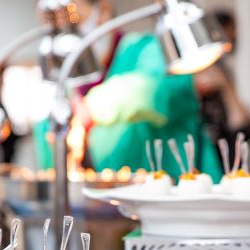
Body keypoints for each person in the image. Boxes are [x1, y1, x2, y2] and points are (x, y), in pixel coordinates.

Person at [0, 0, 122, 169]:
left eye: (74, 20)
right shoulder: (67, 81)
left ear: (104, 9)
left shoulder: (141, 49)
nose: (66, 36)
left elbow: (155, 93)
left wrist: (87, 108)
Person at [83, 32, 223, 180]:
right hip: (128, 182)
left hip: (173, 179)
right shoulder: (125, 54)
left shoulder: (148, 48)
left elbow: (157, 94)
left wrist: (91, 105)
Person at [195, 9, 250, 157]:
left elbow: (239, 121)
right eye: (233, 31)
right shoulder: (194, 66)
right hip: (202, 148)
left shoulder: (223, 69)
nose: (235, 37)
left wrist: (226, 86)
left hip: (223, 146)